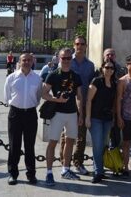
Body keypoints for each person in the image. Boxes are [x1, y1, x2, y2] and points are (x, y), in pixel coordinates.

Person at [42, 48, 83, 185]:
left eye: (68, 58)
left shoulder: (76, 75)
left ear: (71, 59)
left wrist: (80, 114)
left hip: (71, 113)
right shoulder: (53, 75)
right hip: (58, 113)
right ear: (59, 59)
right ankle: (49, 172)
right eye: (63, 58)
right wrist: (56, 99)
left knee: (70, 141)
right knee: (52, 142)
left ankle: (65, 169)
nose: (66, 61)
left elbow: (79, 96)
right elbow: (44, 93)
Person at [3, 53, 41, 185]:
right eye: (24, 60)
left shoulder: (37, 78)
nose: (26, 62)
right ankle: (13, 174)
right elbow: (7, 96)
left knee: (30, 145)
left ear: (32, 62)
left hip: (30, 114)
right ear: (19, 61)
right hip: (15, 114)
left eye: (29, 60)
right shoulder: (11, 77)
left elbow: (37, 98)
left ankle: (31, 174)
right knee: (14, 145)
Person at [86, 60, 117, 183]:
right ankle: (98, 172)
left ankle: (100, 169)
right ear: (102, 68)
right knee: (97, 145)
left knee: (104, 144)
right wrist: (87, 117)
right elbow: (88, 100)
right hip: (95, 118)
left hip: (107, 119)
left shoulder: (114, 83)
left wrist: (114, 117)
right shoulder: (96, 81)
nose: (109, 70)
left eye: (111, 68)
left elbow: (114, 102)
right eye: (107, 67)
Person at [70, 35, 95, 175]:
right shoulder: (67, 62)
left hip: (84, 104)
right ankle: (64, 162)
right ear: (74, 45)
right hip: (67, 104)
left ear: (86, 46)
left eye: (82, 44)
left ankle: (78, 163)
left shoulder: (90, 65)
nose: (80, 46)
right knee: (66, 136)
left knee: (81, 136)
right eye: (77, 43)